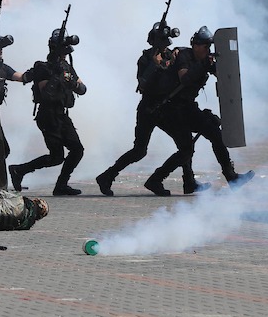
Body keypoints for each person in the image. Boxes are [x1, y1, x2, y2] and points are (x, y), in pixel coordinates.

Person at [145, 27, 254, 195]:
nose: (207, 50)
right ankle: (156, 180)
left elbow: (221, 74)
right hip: (171, 109)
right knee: (186, 150)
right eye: (205, 46)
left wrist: (222, 66)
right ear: (195, 45)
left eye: (209, 47)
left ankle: (230, 176)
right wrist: (204, 64)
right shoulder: (183, 56)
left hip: (187, 107)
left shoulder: (204, 59)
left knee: (214, 133)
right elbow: (186, 78)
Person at [95, 20, 191, 196]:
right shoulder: (146, 59)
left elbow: (183, 59)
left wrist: (178, 53)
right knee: (139, 150)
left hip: (165, 108)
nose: (164, 46)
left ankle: (187, 180)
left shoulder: (171, 55)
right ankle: (107, 176)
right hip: (149, 109)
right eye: (161, 42)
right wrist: (154, 65)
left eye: (165, 42)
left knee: (185, 144)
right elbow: (143, 83)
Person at [9, 29, 87, 195]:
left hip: (61, 115)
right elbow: (47, 94)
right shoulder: (43, 68)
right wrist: (57, 75)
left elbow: (82, 89)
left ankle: (61, 185)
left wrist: (71, 81)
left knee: (77, 149)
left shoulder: (67, 67)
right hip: (48, 116)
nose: (65, 55)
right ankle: (19, 170)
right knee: (56, 157)